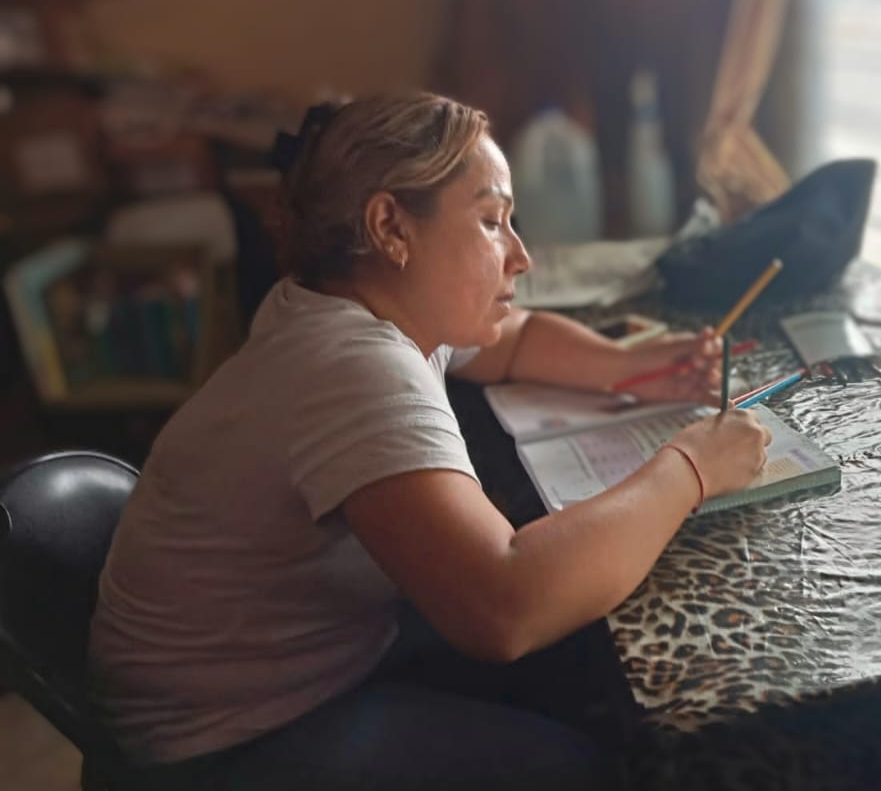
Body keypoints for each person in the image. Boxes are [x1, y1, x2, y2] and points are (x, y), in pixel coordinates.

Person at [88, 91, 771, 790]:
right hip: (226, 741)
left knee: (584, 667)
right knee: (586, 765)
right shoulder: (352, 365)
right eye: (491, 221)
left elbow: (512, 340)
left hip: (289, 664)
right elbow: (504, 605)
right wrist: (691, 467)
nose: (521, 256)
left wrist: (630, 367)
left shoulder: (342, 302)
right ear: (391, 227)